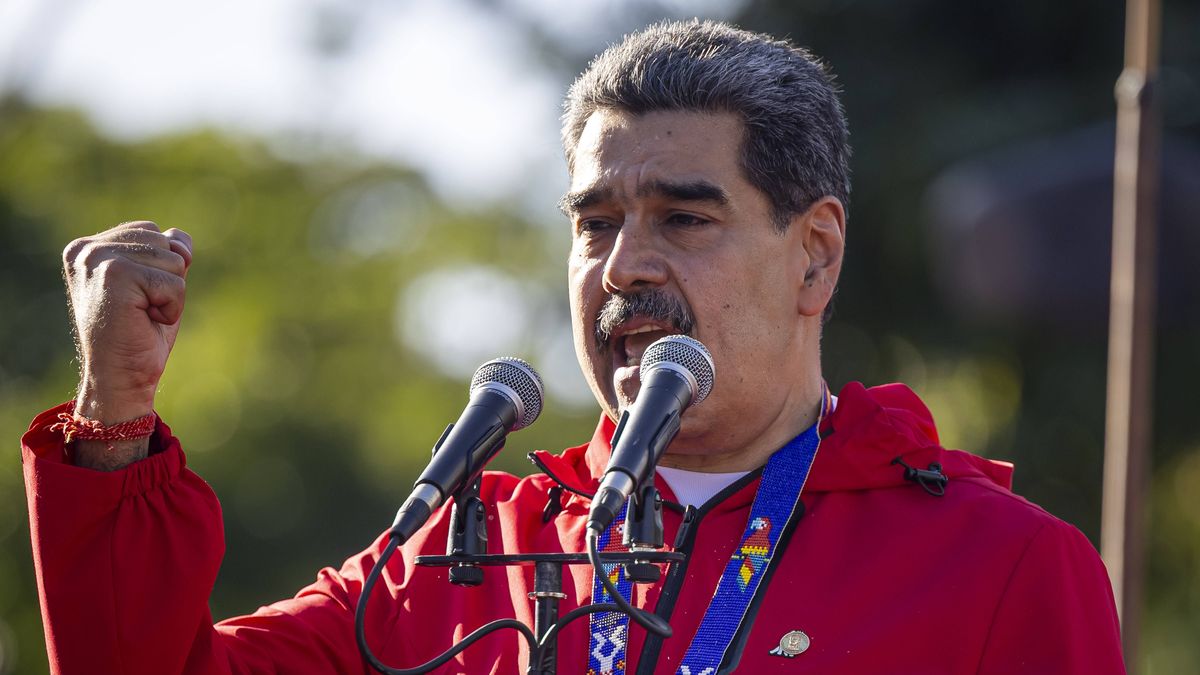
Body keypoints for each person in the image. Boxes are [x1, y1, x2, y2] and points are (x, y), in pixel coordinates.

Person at [22, 19, 1125, 675]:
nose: (626, 265)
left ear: (815, 257)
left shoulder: (997, 567)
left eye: (684, 219)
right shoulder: (454, 554)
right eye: (595, 224)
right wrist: (114, 416)